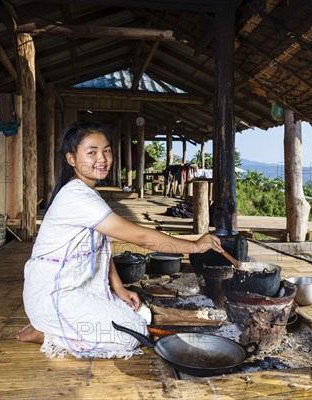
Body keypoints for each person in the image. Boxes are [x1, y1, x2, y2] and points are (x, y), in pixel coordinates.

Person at [16, 121, 224, 359]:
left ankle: (58, 326)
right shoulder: (75, 196)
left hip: (74, 289)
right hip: (53, 295)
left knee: (139, 316)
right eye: (91, 152)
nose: (102, 159)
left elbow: (101, 248)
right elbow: (140, 236)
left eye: (106, 150)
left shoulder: (87, 193)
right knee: (131, 335)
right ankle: (48, 334)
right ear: (71, 159)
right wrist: (196, 247)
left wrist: (119, 288)